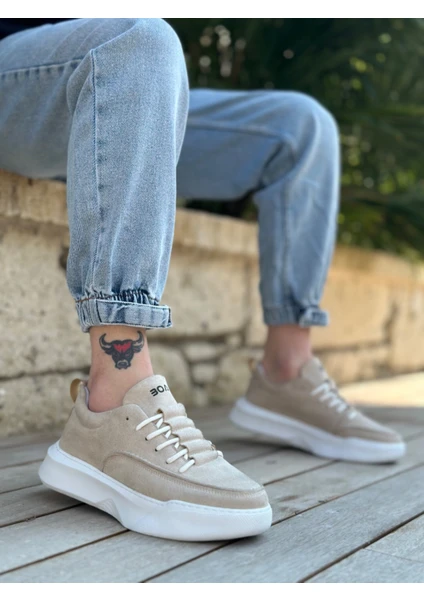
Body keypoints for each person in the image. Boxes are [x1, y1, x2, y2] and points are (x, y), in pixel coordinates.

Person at [0, 18, 405, 542]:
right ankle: (113, 399)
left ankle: (287, 372)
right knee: (139, 42)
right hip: (35, 81)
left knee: (302, 127)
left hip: (118, 91)